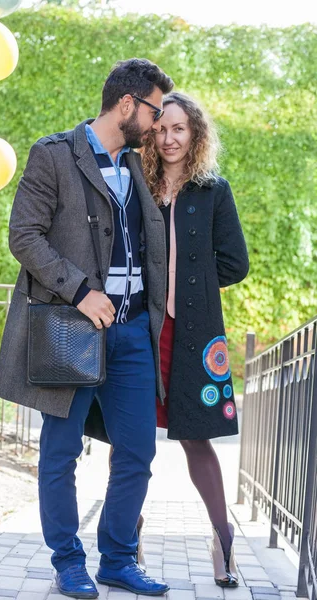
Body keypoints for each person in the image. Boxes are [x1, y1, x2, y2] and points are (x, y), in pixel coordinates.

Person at [0, 58, 174, 599]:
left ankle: (117, 559)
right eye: (155, 111)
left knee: (139, 450)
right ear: (127, 105)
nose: (160, 123)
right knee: (61, 450)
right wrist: (79, 289)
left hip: (133, 330)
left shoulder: (141, 167)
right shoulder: (53, 155)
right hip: (72, 327)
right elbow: (23, 235)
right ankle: (68, 560)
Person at [85, 91, 249, 587]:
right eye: (162, 128)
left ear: (195, 134)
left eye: (180, 128)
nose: (170, 137)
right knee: (127, 439)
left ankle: (223, 542)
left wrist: (189, 285)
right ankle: (124, 538)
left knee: (197, 438)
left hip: (195, 334)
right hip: (141, 327)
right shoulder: (137, 183)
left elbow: (235, 263)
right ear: (151, 133)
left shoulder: (212, 190)